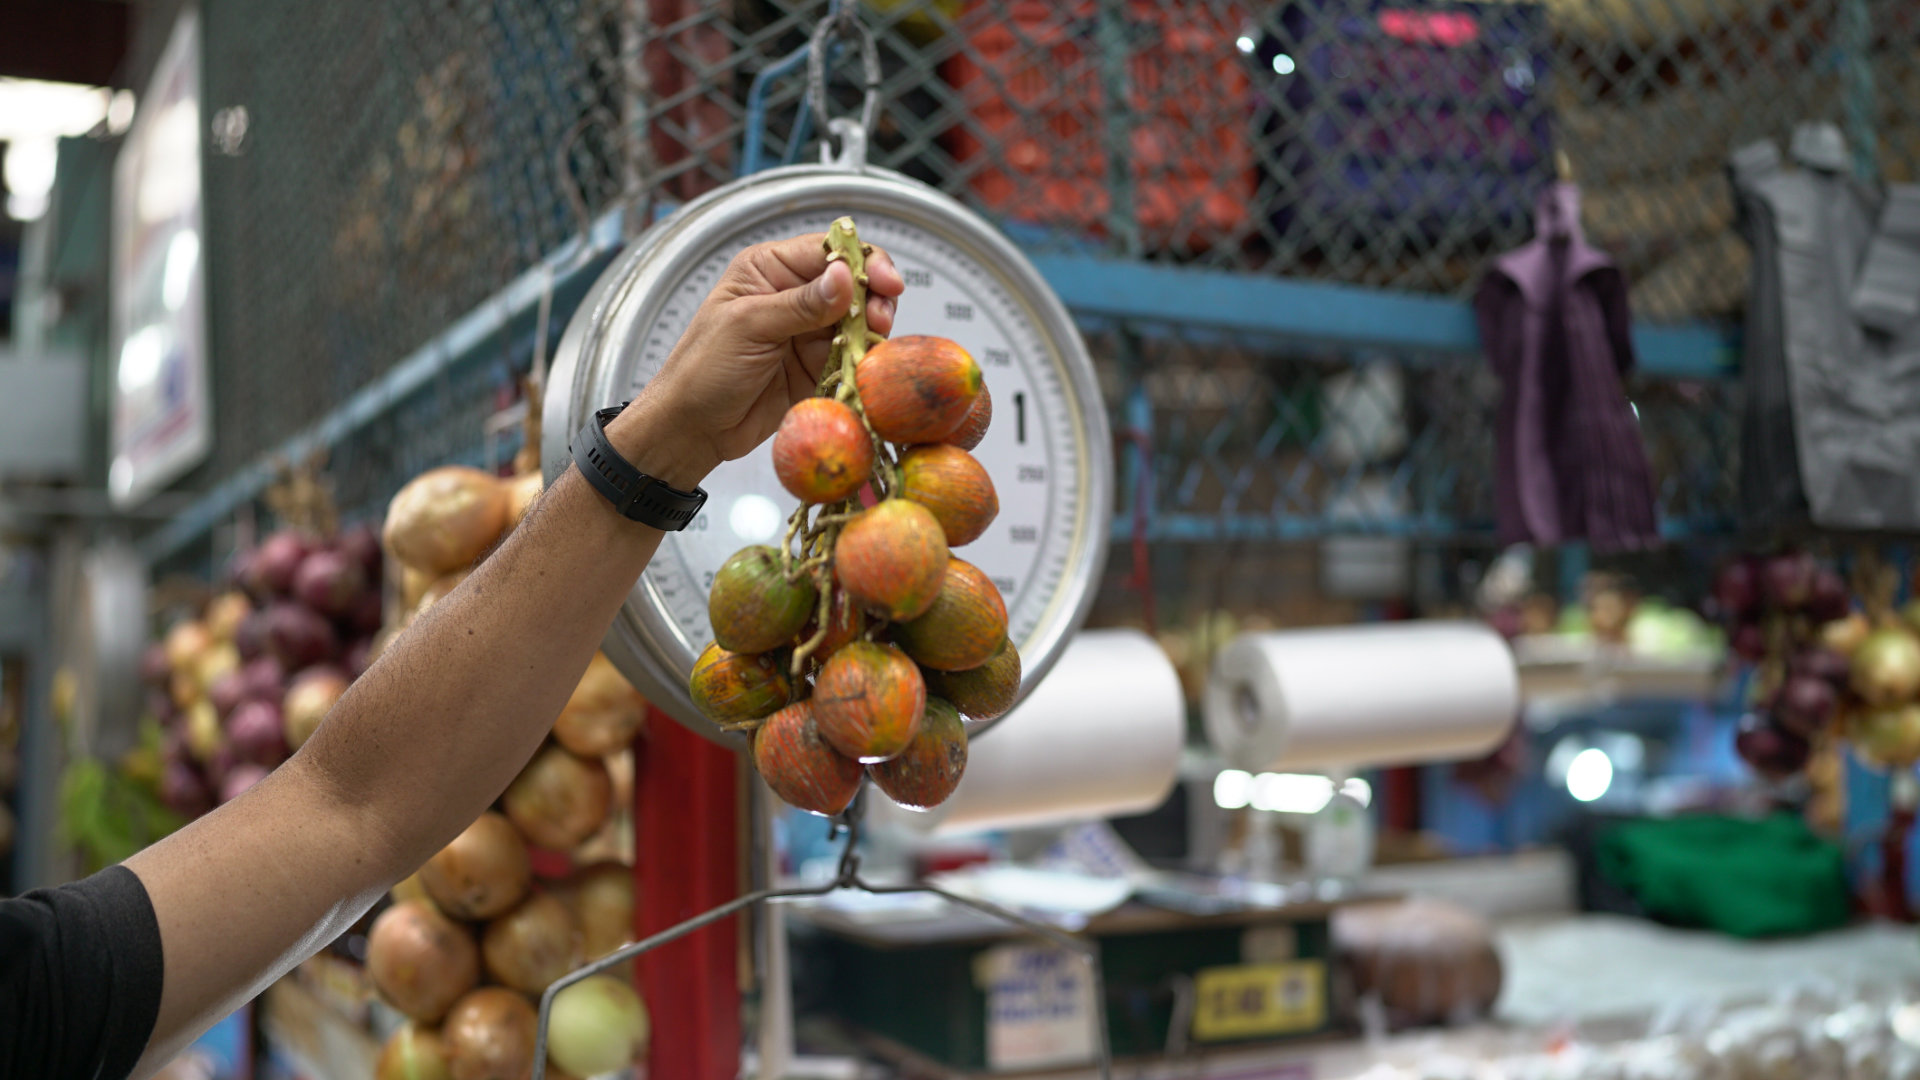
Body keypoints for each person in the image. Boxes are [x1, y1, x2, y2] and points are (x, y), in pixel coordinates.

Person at [0, 234, 906, 1080]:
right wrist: (665, 449)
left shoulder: (36, 994)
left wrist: (670, 444)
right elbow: (348, 812)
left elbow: (351, 809)